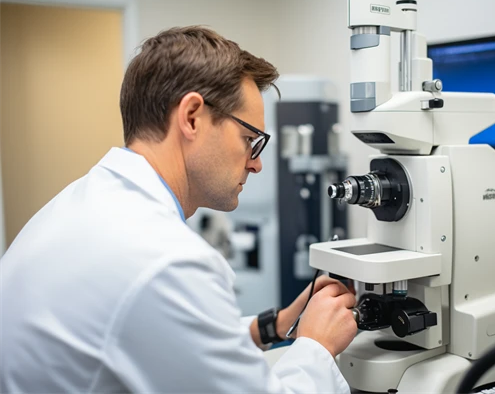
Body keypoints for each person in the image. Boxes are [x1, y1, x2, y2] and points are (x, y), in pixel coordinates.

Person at [0, 26, 357, 393]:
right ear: (191, 118)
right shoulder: (167, 259)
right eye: (250, 140)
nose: (256, 164)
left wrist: (277, 324)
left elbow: (161, 338)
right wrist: (317, 345)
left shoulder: (77, 204)